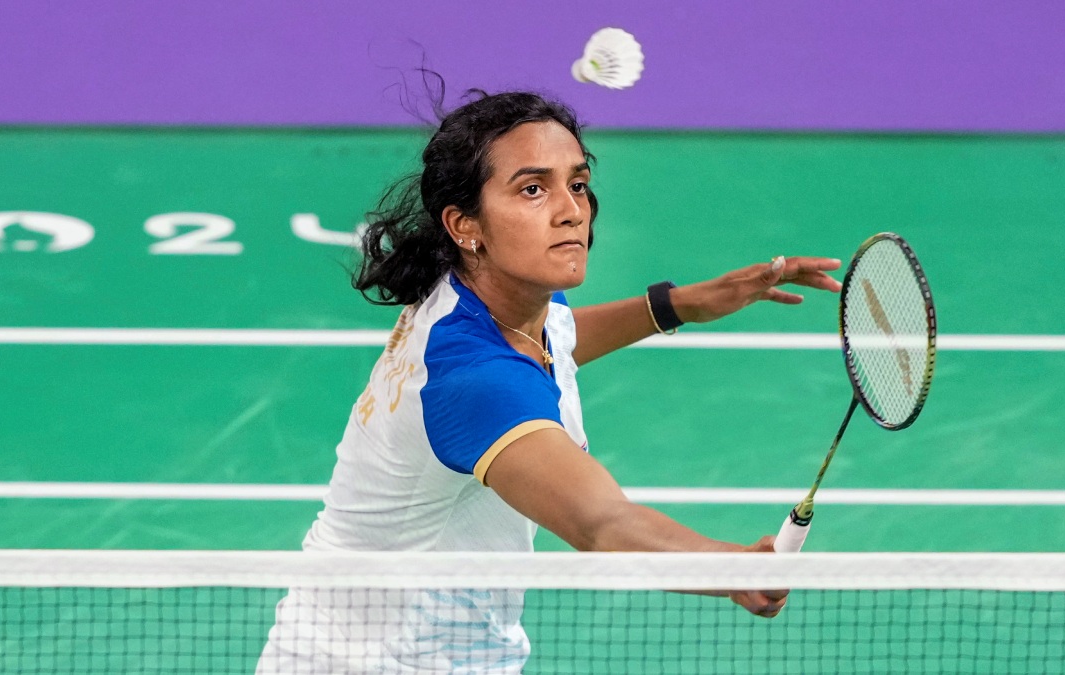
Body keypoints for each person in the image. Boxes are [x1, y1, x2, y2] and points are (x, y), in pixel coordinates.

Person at [257, 90, 842, 673]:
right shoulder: (477, 381)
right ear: (465, 225)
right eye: (532, 189)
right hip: (377, 661)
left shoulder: (493, 297)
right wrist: (734, 570)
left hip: (401, 642)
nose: (571, 211)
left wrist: (676, 306)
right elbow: (602, 523)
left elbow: (553, 342)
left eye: (577, 184)